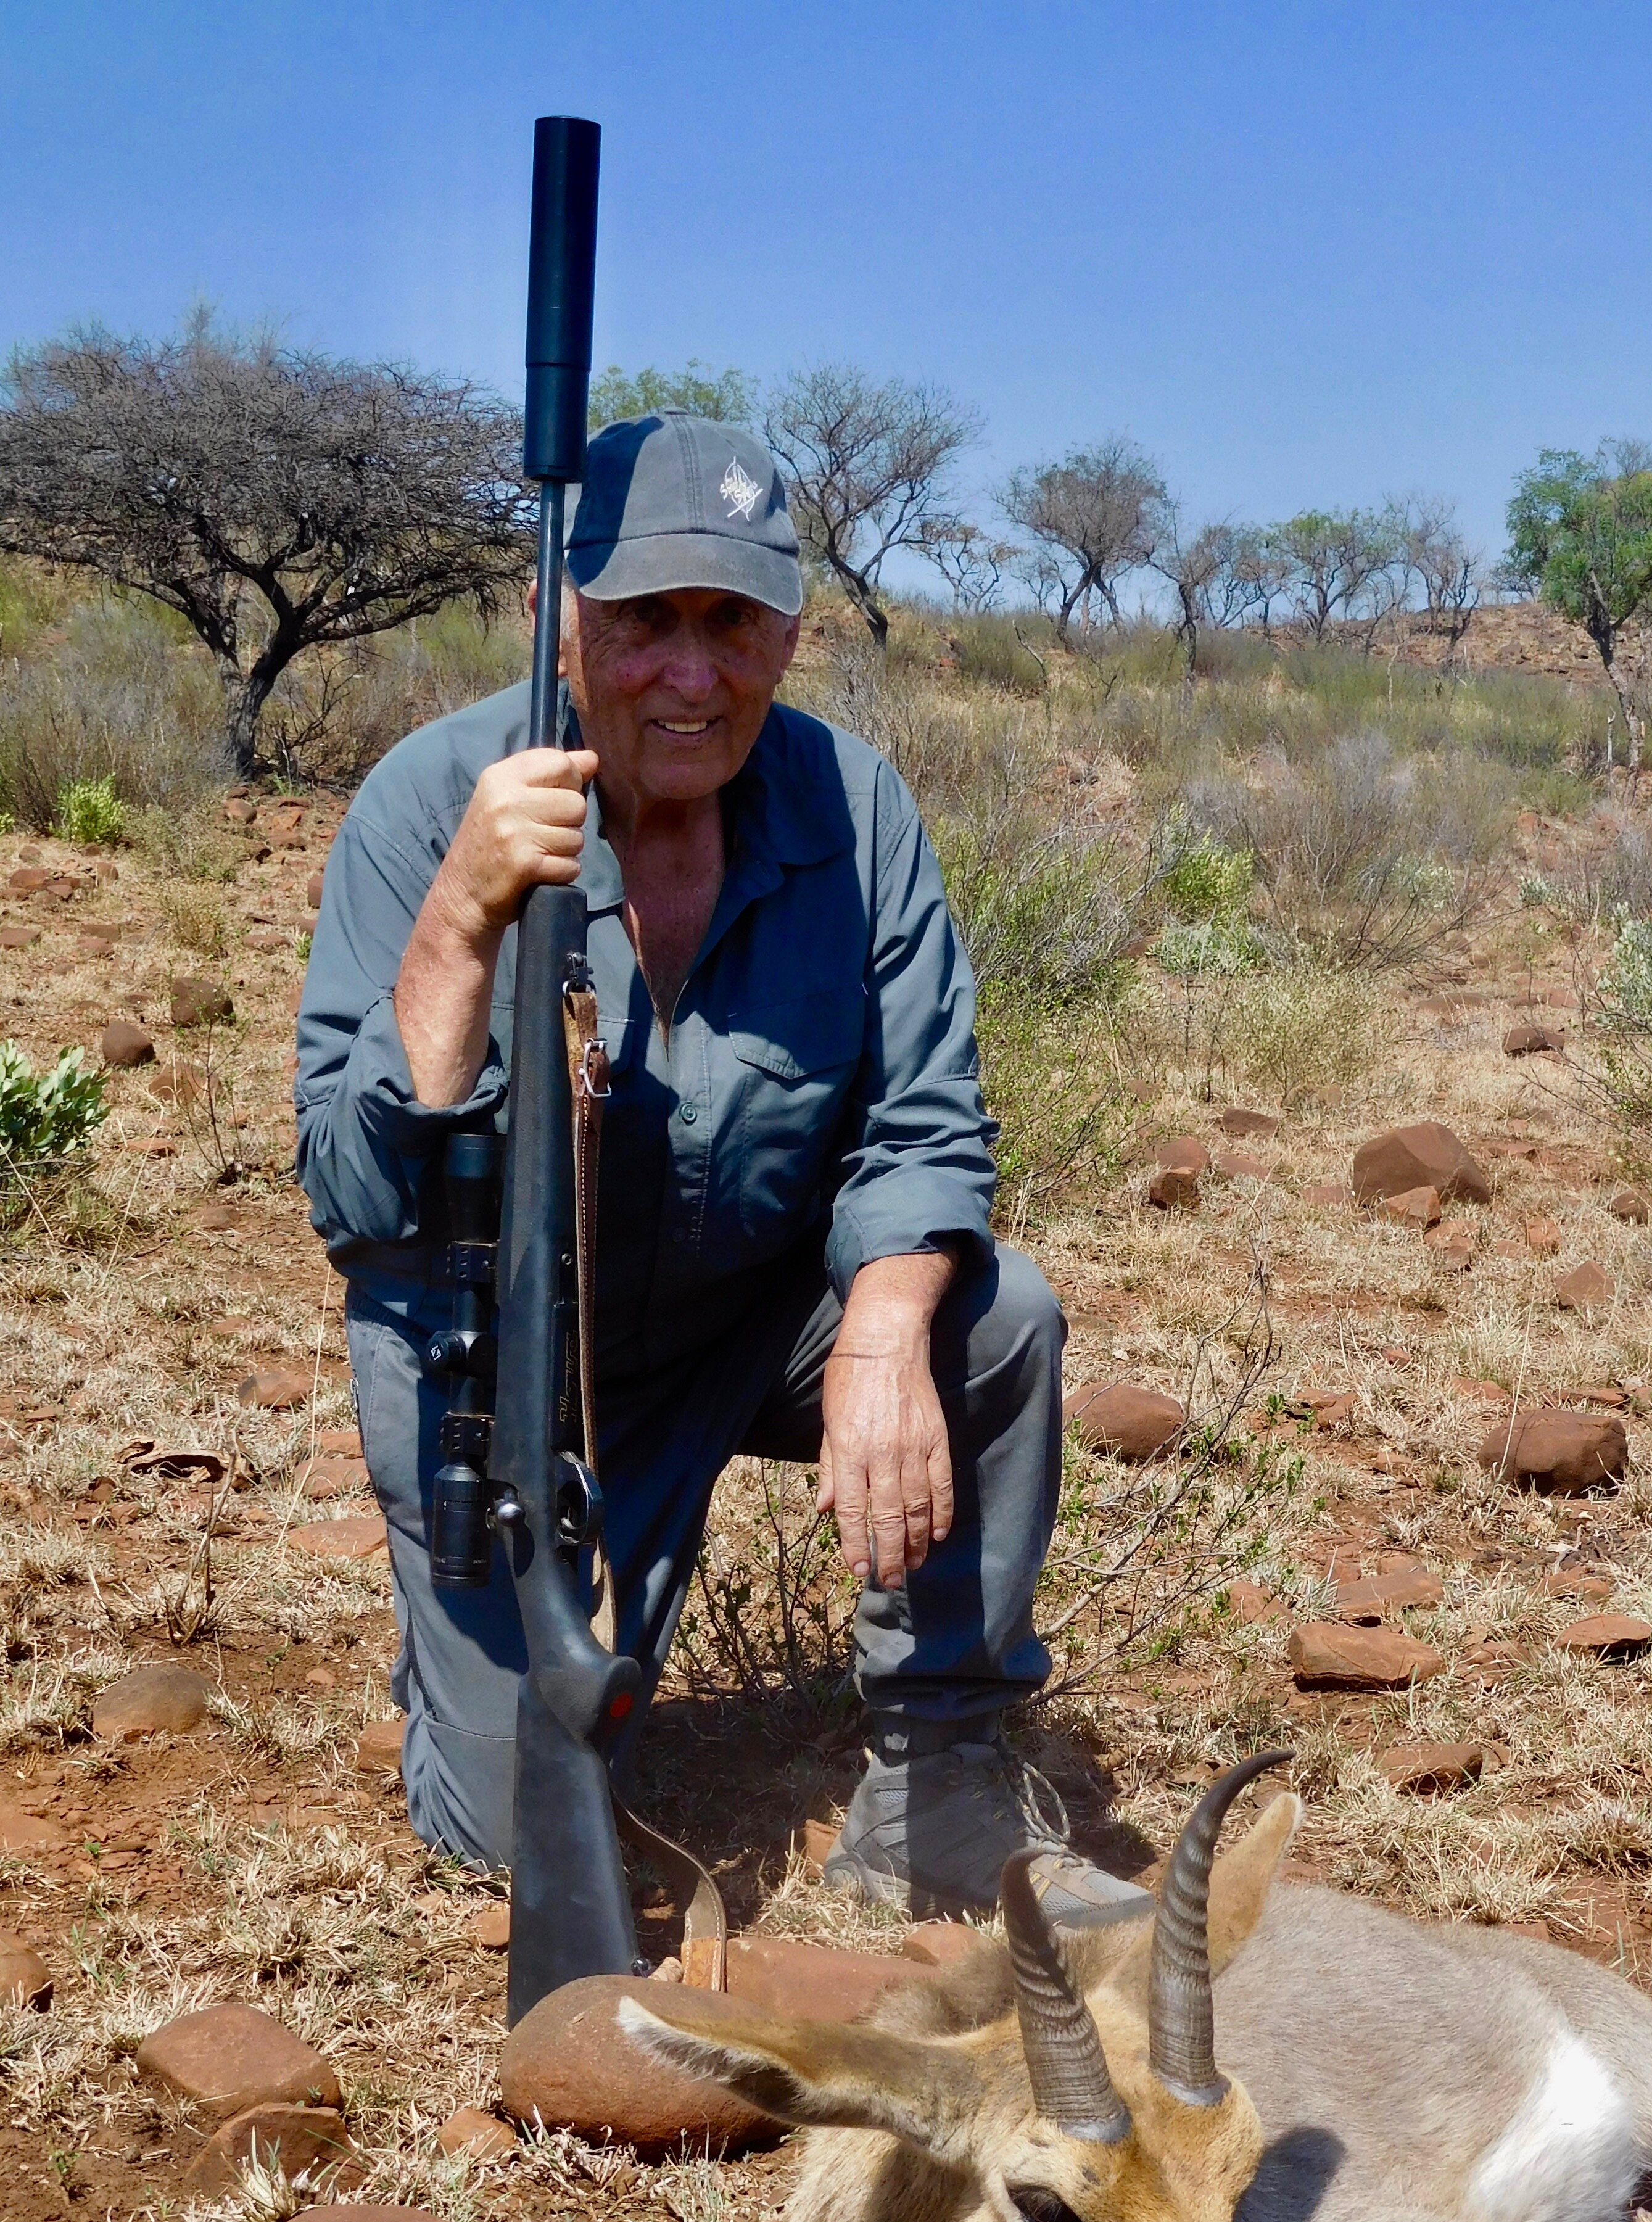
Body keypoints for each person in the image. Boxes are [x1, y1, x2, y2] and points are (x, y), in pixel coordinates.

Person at [294, 414, 1144, 1924]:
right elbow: (358, 1202)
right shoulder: (434, 800)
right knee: (504, 1832)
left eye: (732, 624)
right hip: (495, 1368)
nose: (691, 677)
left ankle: (938, 1770)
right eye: (645, 625)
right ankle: (463, 1656)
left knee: (994, 1320)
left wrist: (883, 1331)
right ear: (571, 623)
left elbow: (927, 1121)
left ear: (790, 632)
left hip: (743, 1322)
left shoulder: (855, 807)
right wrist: (467, 918)